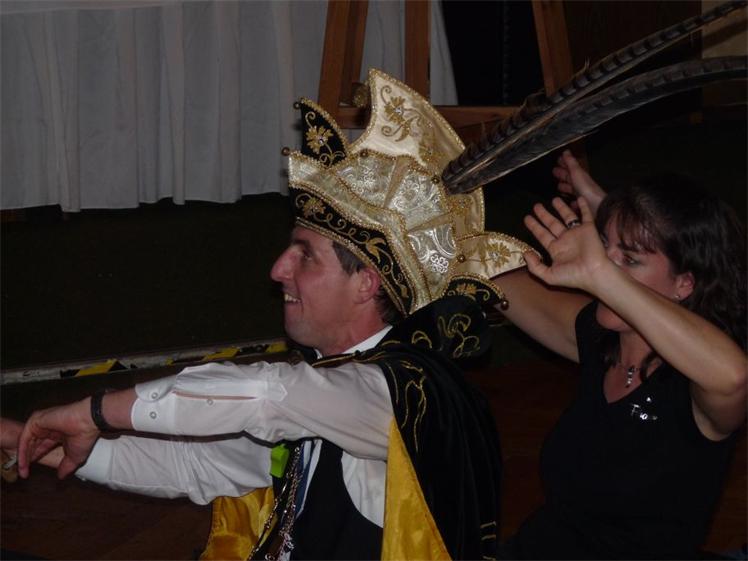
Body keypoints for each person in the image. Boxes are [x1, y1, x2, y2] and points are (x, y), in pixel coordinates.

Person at [2, 69, 532, 560]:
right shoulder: (329, 389)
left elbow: (263, 396)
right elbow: (197, 464)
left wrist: (93, 412)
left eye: (305, 256)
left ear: (366, 283)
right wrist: (32, 440)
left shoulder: (402, 394)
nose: (278, 269)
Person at [494, 150, 747, 559]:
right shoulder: (599, 339)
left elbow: (734, 376)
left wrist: (602, 273)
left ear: (684, 284)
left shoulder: (697, 384)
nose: (599, 268)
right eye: (604, 248)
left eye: (630, 260)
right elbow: (489, 278)